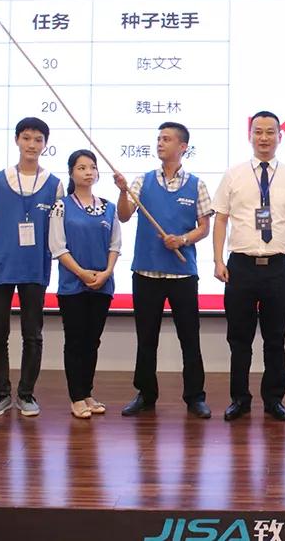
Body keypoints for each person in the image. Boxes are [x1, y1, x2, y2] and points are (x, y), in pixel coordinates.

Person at [212, 110, 285, 422]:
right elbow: (220, 219)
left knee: (275, 339)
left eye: (270, 132)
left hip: (278, 267)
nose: (264, 138)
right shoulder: (234, 174)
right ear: (250, 135)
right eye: (258, 131)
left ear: (280, 136)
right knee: (239, 339)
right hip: (240, 267)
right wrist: (217, 259)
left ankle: (274, 399)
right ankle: (239, 399)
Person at [114, 122, 213, 419]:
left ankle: (195, 397)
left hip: (183, 275)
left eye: (167, 139)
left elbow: (204, 228)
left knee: (189, 338)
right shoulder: (142, 181)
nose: (160, 143)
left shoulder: (197, 185)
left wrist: (182, 240)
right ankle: (145, 394)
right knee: (146, 339)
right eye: (158, 138)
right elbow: (124, 215)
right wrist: (122, 192)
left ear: (182, 147)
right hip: (146, 273)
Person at [0, 117, 63, 418]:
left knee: (33, 334)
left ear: (45, 144)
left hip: (34, 268)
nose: (32, 144)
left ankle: (26, 394)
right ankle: (1, 393)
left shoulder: (54, 185)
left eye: (38, 139)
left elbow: (56, 229)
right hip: (0, 267)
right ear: (17, 140)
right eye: (26, 138)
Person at [49, 149, 121, 419]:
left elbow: (115, 245)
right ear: (71, 173)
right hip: (73, 286)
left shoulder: (108, 207)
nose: (88, 172)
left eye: (92, 167)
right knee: (75, 341)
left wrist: (106, 273)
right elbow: (57, 247)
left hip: (102, 285)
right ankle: (76, 397)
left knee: (92, 341)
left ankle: (87, 392)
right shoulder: (61, 206)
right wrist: (81, 273)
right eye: (81, 168)